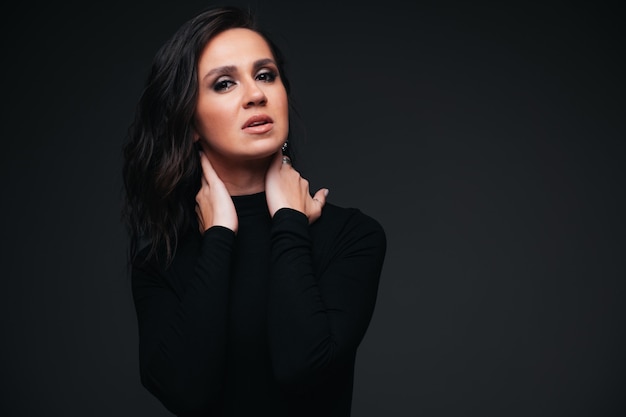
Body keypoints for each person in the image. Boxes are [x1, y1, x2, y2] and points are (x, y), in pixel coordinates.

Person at [122, 5, 386, 416]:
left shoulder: (352, 235)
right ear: (189, 122)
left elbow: (302, 367)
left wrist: (289, 221)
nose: (256, 94)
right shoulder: (162, 258)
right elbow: (186, 392)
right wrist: (220, 236)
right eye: (225, 83)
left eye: (265, 75)